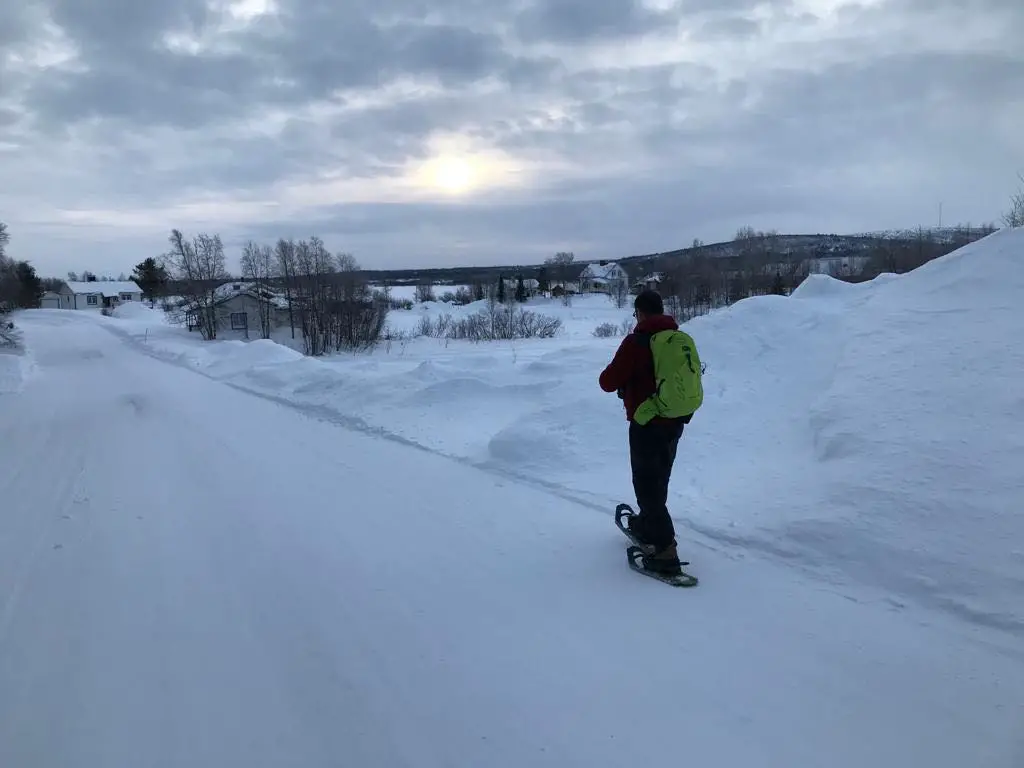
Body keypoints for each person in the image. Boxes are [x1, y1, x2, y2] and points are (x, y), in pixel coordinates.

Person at [598, 289, 697, 576]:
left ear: (640, 313)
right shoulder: (678, 339)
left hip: (646, 424)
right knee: (658, 478)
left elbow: (607, 381)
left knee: (646, 485)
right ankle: (646, 524)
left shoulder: (637, 342)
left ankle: (666, 552)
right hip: (675, 421)